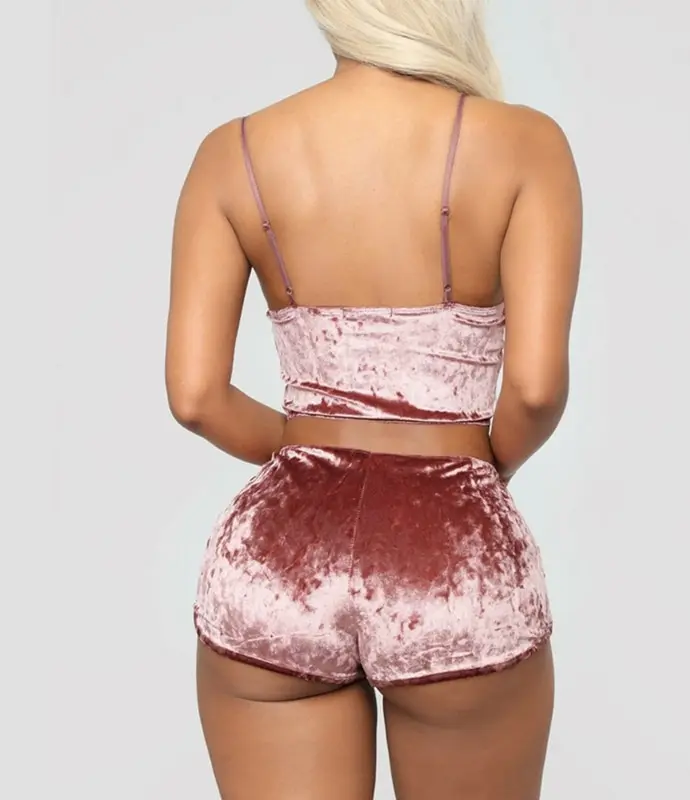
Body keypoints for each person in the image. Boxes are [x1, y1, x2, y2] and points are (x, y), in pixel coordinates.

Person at [165, 1, 582, 797]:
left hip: (276, 562)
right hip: (451, 565)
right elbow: (535, 389)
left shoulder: (232, 152)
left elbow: (195, 395)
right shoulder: (526, 144)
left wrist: (316, 456)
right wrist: (473, 474)